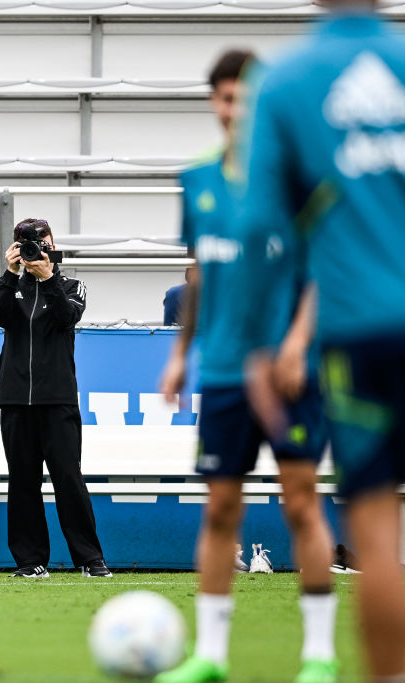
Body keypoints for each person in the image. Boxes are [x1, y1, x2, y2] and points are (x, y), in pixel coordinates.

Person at [235, 4, 405, 680]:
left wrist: (254, 346)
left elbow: (258, 232)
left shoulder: (287, 80)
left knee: (373, 524)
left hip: (359, 332)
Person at [156, 50, 337, 683]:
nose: (236, 110)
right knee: (220, 509)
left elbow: (319, 275)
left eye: (247, 99)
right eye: (227, 98)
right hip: (225, 374)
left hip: (290, 374)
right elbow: (199, 273)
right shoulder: (197, 180)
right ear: (214, 103)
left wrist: (295, 345)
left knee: (301, 505)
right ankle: (209, 656)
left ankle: (318, 655)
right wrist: (181, 355)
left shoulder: (298, 181)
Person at [0, 218, 111, 580]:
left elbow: (67, 317)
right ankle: (30, 561)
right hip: (14, 400)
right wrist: (10, 274)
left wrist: (48, 278)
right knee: (22, 481)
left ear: (53, 244)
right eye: (26, 243)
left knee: (68, 478)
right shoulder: (11, 285)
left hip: (58, 400)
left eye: (40, 241)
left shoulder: (71, 284)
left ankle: (90, 559)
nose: (34, 249)